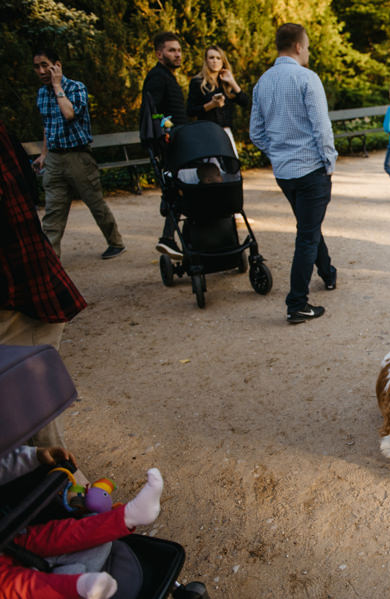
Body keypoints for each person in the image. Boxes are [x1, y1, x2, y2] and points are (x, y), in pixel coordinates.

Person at [0, 118, 87, 448]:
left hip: (22, 280)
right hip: (17, 288)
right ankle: (53, 479)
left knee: (32, 392)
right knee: (33, 391)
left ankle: (51, 474)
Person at [250, 23, 338, 324]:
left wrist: (277, 153)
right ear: (299, 46)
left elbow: (256, 133)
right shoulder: (306, 78)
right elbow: (321, 128)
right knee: (307, 235)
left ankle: (328, 273)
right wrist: (329, 163)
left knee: (308, 226)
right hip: (311, 169)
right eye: (309, 46)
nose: (309, 51)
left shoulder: (262, 83)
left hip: (285, 172)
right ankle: (297, 304)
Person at [0, 467, 164, 599]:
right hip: (27, 588)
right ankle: (83, 586)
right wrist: (75, 586)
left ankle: (129, 516)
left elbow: (37, 539)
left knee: (91, 529)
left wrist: (120, 519)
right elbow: (13, 586)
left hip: (20, 555)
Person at [31, 50, 126, 260]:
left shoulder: (76, 87)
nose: (41, 71)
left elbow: (69, 113)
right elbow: (48, 126)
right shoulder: (41, 93)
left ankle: (116, 242)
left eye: (45, 65)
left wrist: (57, 86)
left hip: (79, 157)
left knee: (95, 204)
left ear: (57, 65)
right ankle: (50, 258)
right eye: (37, 67)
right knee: (53, 211)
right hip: (55, 158)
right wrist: (44, 154)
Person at [143, 31, 188, 260]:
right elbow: (155, 112)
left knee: (178, 188)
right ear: (159, 53)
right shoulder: (157, 77)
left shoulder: (167, 76)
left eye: (179, 50)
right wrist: (168, 130)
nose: (177, 54)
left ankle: (172, 236)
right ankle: (168, 238)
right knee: (177, 188)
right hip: (170, 145)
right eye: (172, 50)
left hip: (180, 142)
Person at [186, 45, 250, 154]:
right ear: (206, 60)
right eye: (211, 58)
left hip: (226, 133)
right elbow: (190, 111)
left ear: (223, 61)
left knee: (231, 168)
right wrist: (211, 105)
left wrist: (232, 82)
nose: (215, 61)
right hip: (207, 132)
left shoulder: (226, 83)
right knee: (213, 168)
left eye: (218, 58)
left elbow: (246, 102)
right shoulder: (197, 82)